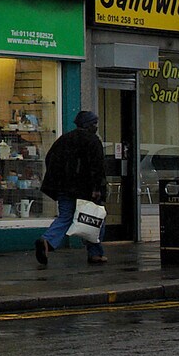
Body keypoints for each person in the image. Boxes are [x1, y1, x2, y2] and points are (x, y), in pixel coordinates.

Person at [36, 109, 108, 268]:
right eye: (94, 123)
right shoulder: (93, 141)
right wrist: (97, 188)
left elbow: (50, 159)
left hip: (64, 189)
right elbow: (97, 167)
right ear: (89, 125)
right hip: (86, 190)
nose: (96, 126)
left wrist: (59, 181)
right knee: (95, 219)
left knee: (65, 217)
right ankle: (95, 253)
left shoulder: (64, 139)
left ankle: (47, 240)